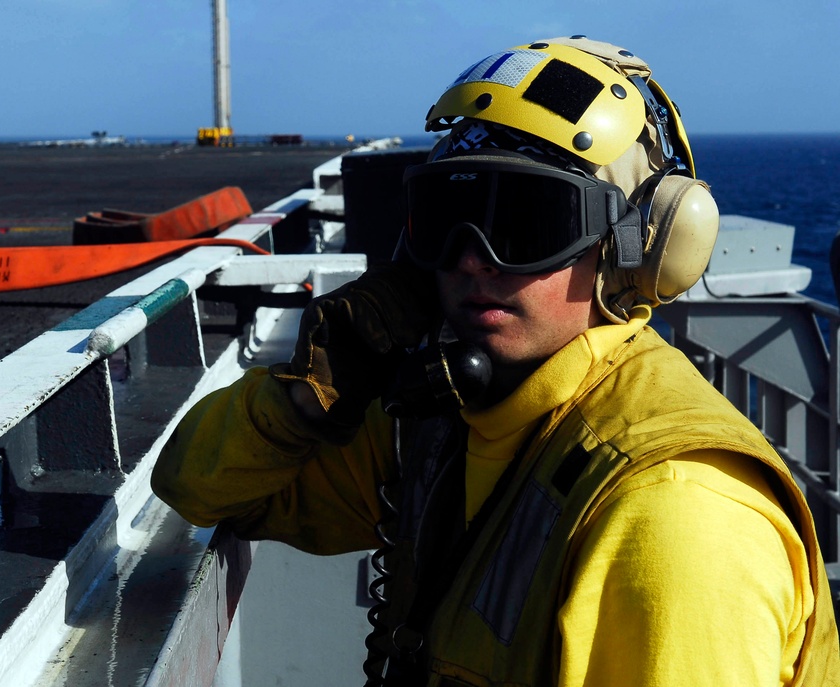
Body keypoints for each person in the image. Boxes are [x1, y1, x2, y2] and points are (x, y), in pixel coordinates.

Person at [152, 36, 840, 686]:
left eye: (528, 221)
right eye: (447, 216)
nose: (474, 257)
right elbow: (198, 487)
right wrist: (313, 392)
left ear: (638, 247)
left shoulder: (673, 515)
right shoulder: (450, 418)